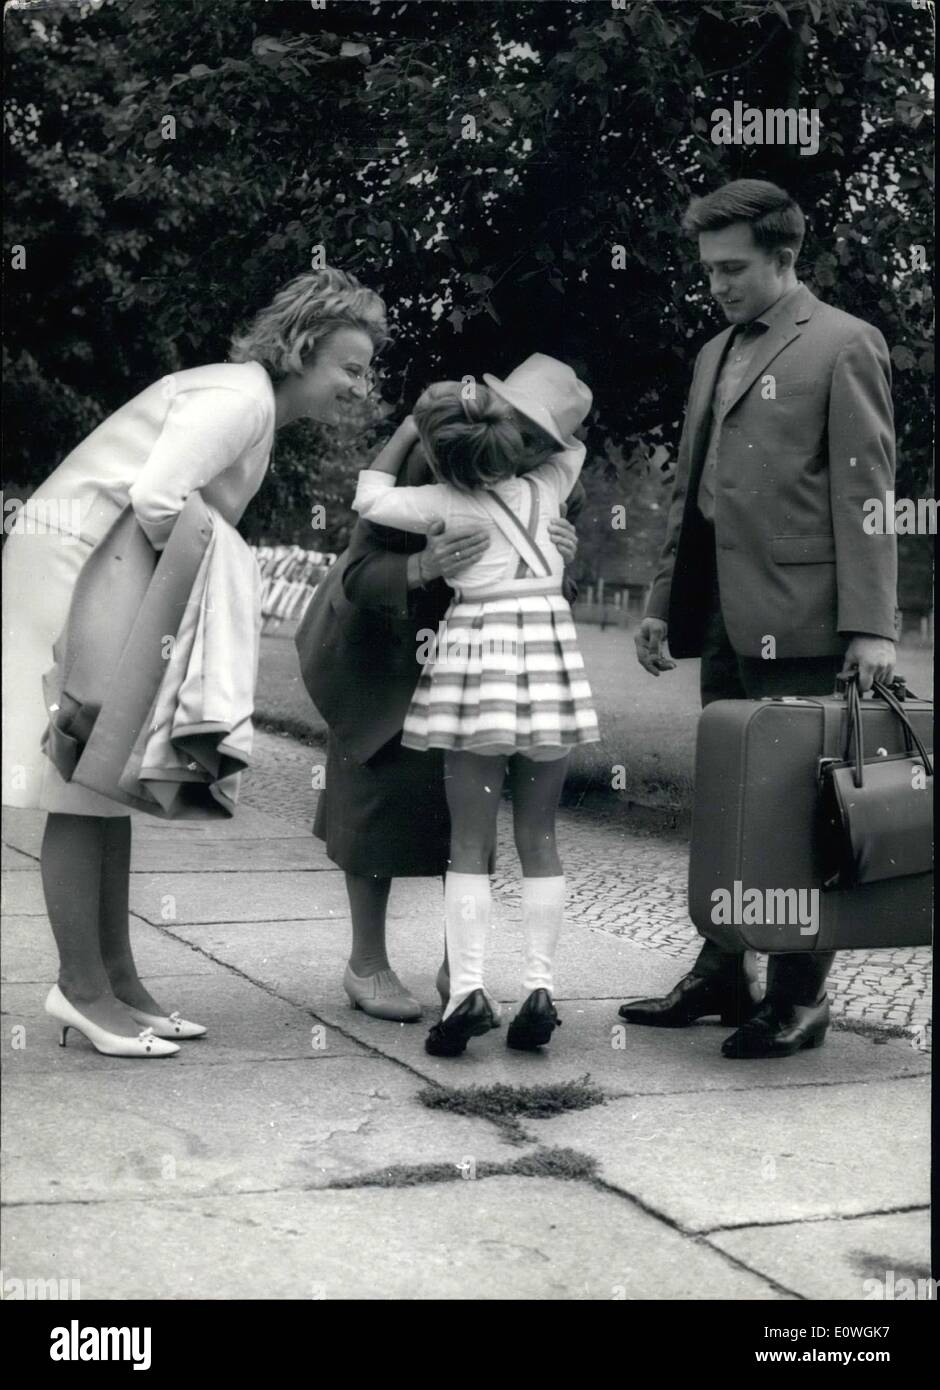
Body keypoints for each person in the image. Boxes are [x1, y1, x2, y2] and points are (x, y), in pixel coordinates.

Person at [2, 266, 388, 1058]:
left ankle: (119, 983)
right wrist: (230, 571)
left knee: (108, 782)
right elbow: (157, 500)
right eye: (351, 367)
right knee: (78, 782)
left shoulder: (248, 401)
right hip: (78, 576)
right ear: (303, 348)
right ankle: (80, 990)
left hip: (109, 574)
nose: (361, 386)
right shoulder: (239, 399)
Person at [620, 179, 898, 1059]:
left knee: (802, 810)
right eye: (707, 272)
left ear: (785, 256)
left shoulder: (846, 344)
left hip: (810, 622)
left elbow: (868, 496)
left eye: (732, 269)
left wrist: (873, 627)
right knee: (732, 805)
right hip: (727, 624)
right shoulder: (711, 353)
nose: (717, 286)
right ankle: (718, 973)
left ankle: (800, 997)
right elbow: (691, 497)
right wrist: (666, 604)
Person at [301, 372, 583, 1025]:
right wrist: (424, 565)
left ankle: (463, 972)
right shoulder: (430, 456)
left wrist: (559, 553)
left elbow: (540, 541)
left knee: (469, 807)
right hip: (383, 648)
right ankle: (365, 962)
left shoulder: (530, 460)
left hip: (474, 653)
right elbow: (360, 571)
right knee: (375, 793)